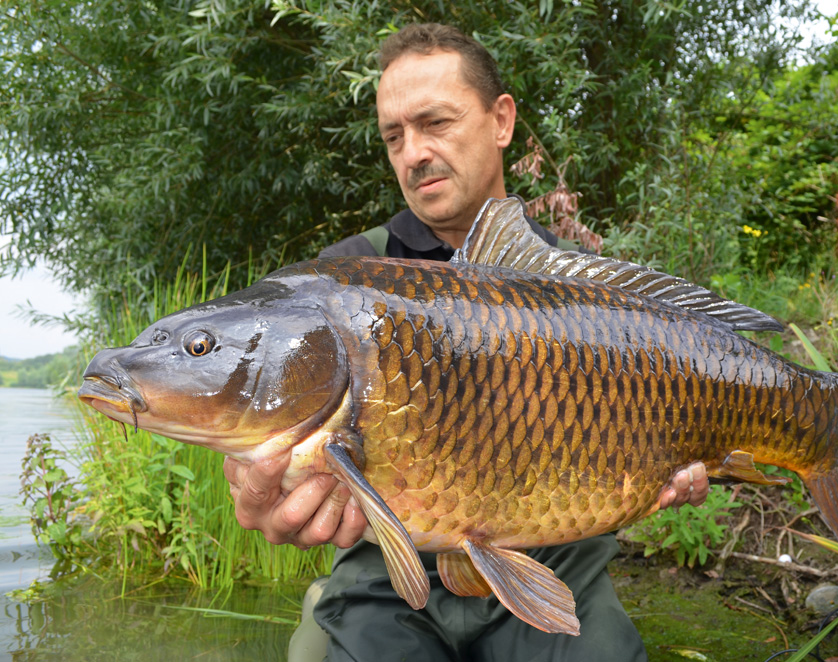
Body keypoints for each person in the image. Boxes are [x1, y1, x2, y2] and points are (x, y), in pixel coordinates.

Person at [224, 23, 711, 662]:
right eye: (394, 137)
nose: (412, 153)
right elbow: (270, 429)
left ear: (501, 120)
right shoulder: (342, 280)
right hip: (390, 579)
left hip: (552, 559)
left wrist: (693, 457)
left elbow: (680, 445)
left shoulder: (589, 298)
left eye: (435, 123)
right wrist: (258, 488)